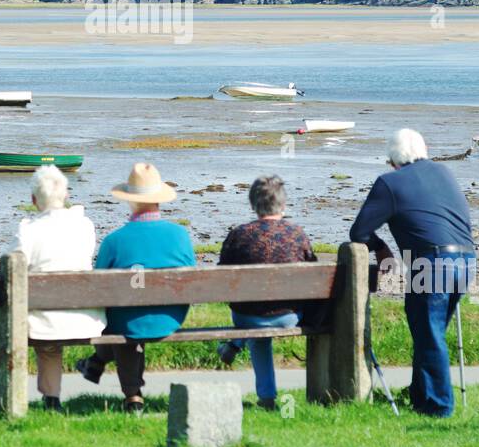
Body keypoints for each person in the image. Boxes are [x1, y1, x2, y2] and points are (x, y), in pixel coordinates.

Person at [349, 128, 476, 417]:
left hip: (430, 263)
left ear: (392, 160)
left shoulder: (389, 182)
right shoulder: (444, 173)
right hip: (468, 260)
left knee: (429, 334)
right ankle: (421, 395)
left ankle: (439, 408)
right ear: (424, 149)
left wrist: (380, 247)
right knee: (429, 331)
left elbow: (358, 232)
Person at [76, 161, 195, 413]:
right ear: (159, 199)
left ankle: (129, 393)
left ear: (129, 200)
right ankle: (106, 373)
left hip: (127, 322)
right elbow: (192, 281)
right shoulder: (180, 235)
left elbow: (97, 287)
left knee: (123, 319)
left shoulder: (114, 240)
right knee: (129, 318)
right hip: (170, 317)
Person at [0, 166, 105, 412]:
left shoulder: (28, 230)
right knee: (47, 320)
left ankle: (51, 399)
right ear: (66, 195)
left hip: (45, 320)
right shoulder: (84, 226)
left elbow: (8, 266)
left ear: (34, 200)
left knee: (43, 331)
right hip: (85, 316)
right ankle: (51, 400)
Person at [216, 175, 317, 410]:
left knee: (256, 322)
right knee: (262, 318)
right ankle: (237, 347)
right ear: (283, 204)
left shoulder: (239, 235)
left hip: (246, 316)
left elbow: (222, 279)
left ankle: (266, 395)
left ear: (252, 204)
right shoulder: (297, 234)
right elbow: (313, 274)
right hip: (289, 317)